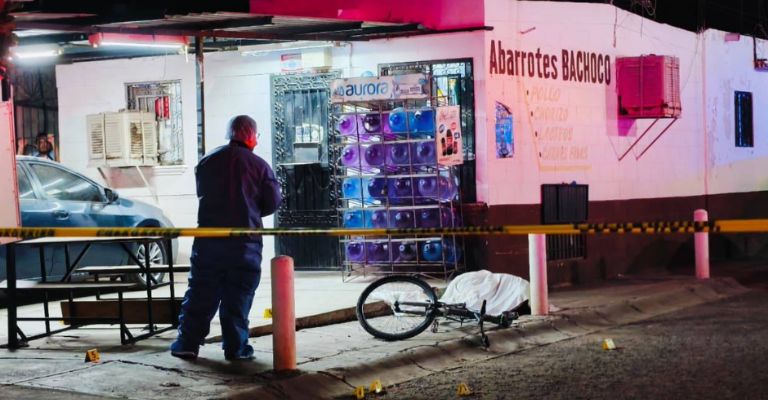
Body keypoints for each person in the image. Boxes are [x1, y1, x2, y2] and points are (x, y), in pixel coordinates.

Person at [171, 115, 282, 361]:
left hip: (209, 241)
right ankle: (236, 348)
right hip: (245, 243)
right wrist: (250, 209)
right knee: (239, 296)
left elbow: (203, 194)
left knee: (200, 292)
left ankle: (186, 343)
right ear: (252, 136)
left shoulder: (207, 161)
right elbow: (272, 202)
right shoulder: (260, 166)